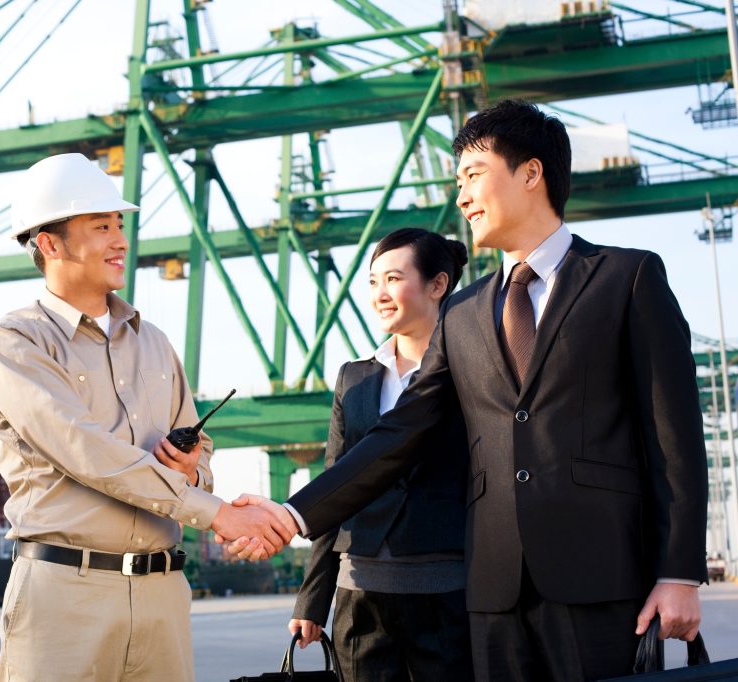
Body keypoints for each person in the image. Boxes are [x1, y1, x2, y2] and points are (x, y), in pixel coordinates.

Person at [238, 100, 708, 681]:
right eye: (457, 179)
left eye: (473, 175)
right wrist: (291, 513)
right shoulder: (461, 313)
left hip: (602, 579)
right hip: (492, 590)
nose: (461, 196)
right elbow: (398, 433)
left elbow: (675, 439)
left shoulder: (627, 277)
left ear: (531, 173)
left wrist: (679, 572)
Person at [0, 153, 297, 682]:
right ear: (49, 244)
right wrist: (217, 512)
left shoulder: (156, 344)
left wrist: (191, 470)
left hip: (162, 595)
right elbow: (85, 450)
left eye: (120, 225)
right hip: (65, 595)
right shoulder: (14, 343)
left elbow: (202, 459)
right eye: (101, 226)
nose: (120, 240)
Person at [289, 228, 473, 681]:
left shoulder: (473, 368)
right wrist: (313, 599)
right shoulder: (353, 378)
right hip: (360, 595)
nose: (380, 294)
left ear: (438, 284)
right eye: (372, 282)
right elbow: (338, 481)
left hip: (446, 588)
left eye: (393, 279)